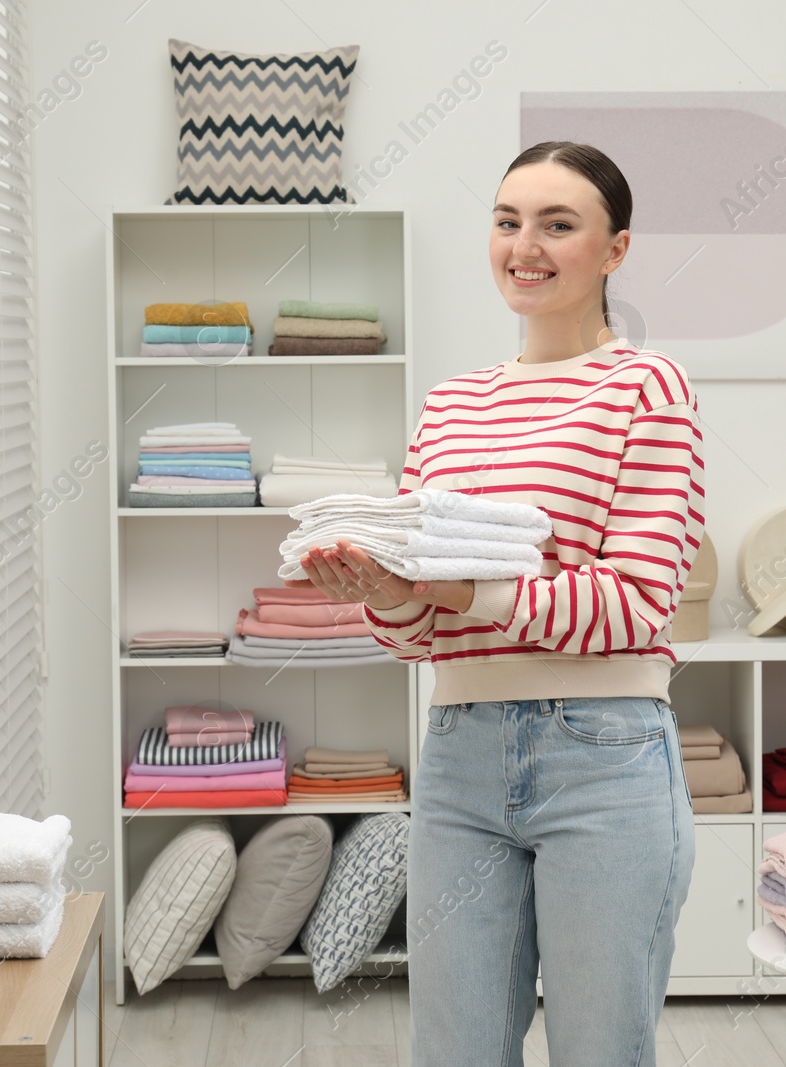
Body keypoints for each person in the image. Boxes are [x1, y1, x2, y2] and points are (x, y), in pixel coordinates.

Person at [286, 140, 704, 1067]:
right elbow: (425, 632)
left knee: (601, 1050)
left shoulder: (647, 386)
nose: (527, 244)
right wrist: (386, 593)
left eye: (559, 224)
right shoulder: (453, 403)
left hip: (605, 753)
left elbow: (638, 603)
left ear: (616, 248)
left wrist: (465, 589)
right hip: (461, 753)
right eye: (509, 220)